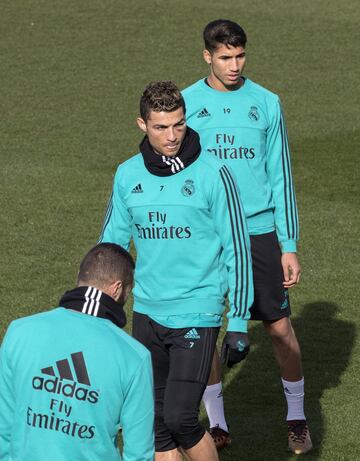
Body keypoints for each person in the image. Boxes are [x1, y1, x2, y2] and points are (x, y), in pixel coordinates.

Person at [99, 80, 253, 461]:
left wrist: (238, 321)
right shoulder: (127, 175)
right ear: (142, 124)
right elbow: (110, 249)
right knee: (155, 424)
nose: (172, 136)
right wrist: (97, 313)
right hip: (148, 313)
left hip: (196, 311)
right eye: (161, 127)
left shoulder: (214, 173)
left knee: (181, 417)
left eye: (179, 125)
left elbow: (238, 247)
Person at [182, 19, 312, 455]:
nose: (234, 65)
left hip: (258, 233)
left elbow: (281, 176)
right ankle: (217, 423)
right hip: (206, 234)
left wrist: (288, 244)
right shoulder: (186, 104)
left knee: (278, 329)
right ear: (207, 57)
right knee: (203, 328)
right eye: (225, 57)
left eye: (240, 56)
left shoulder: (267, 102)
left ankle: (296, 415)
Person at [0, 243, 154, 461]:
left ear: (79, 276)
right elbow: (139, 454)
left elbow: (4, 424)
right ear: (117, 289)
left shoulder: (19, 331)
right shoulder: (135, 357)